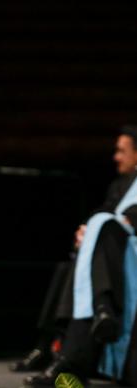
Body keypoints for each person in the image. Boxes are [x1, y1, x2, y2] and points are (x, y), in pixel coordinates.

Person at [23, 126, 137, 386]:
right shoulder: (119, 185)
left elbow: (124, 221)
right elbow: (106, 212)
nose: (116, 157)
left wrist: (111, 224)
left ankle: (74, 355)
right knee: (72, 263)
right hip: (112, 257)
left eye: (121, 151)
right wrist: (85, 231)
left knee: (104, 229)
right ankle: (95, 314)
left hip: (127, 253)